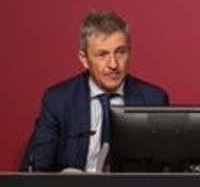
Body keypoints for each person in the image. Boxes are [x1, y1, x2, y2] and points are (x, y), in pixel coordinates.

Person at [20, 11, 169, 172]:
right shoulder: (58, 101)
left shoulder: (154, 100)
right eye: (102, 54)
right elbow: (36, 169)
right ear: (84, 59)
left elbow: (165, 172)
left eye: (120, 52)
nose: (113, 64)